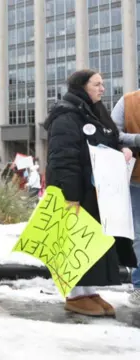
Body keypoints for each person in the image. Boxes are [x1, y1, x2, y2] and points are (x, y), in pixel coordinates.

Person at [44, 69, 136, 317]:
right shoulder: (66, 114)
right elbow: (63, 158)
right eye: (97, 84)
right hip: (77, 191)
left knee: (92, 243)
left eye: (102, 84)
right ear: (83, 86)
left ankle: (88, 291)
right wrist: (70, 195)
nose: (102, 88)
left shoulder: (95, 111)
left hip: (97, 191)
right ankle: (75, 295)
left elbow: (110, 140)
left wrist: (122, 152)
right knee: (76, 242)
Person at [110, 88, 140, 305]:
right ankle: (139, 285)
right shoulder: (128, 101)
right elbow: (112, 134)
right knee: (139, 234)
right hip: (136, 179)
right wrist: (137, 139)